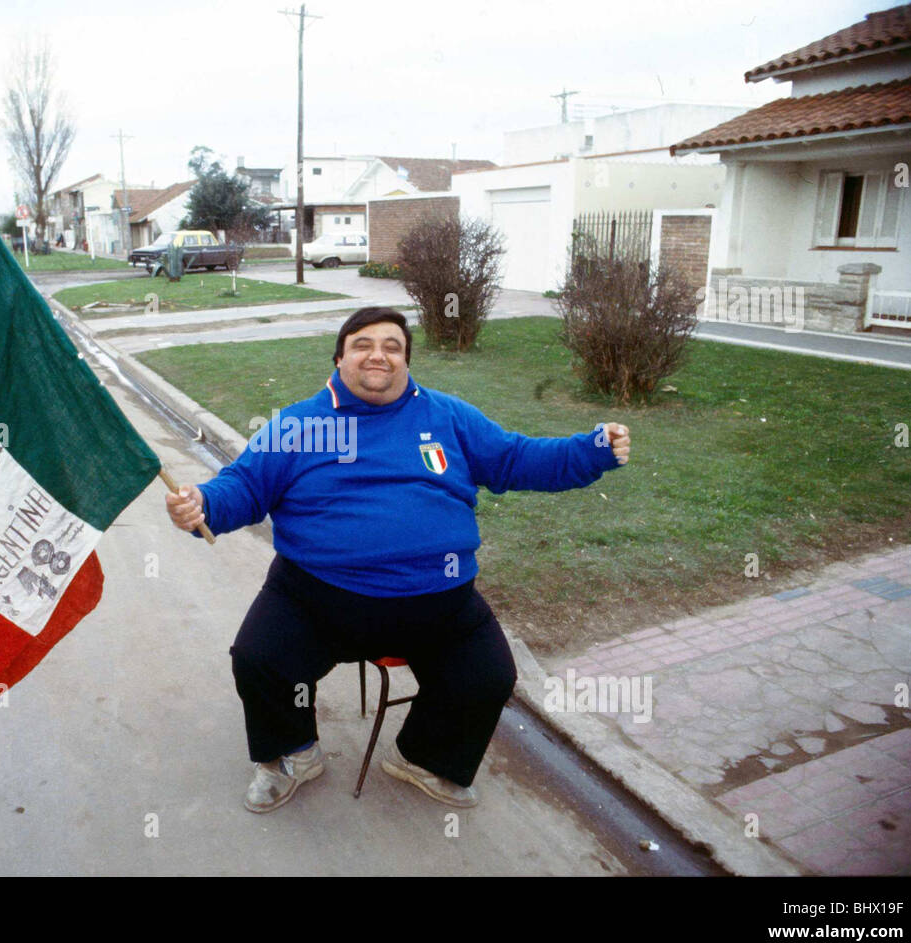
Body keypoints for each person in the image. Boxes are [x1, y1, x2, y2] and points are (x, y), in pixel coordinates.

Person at [165, 307, 631, 814]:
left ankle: (422, 757)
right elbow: (246, 487)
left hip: (439, 599)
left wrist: (592, 451)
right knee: (260, 659)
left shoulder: (446, 417)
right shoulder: (298, 425)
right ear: (340, 357)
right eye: (363, 344)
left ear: (406, 362)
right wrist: (203, 504)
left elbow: (517, 458)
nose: (378, 354)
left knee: (488, 675)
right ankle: (292, 754)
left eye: (392, 346)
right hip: (316, 597)